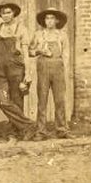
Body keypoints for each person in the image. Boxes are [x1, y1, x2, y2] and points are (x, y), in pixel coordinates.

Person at [0, 0, 36, 142]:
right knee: (3, 101)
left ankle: (14, 134)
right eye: (3, 13)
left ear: (14, 13)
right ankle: (28, 125)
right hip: (1, 71)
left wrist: (27, 74)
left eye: (8, 12)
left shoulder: (21, 29)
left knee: (17, 102)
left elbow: (26, 53)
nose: (6, 15)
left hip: (16, 70)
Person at [29, 8, 75, 140]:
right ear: (44, 21)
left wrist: (63, 69)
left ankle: (61, 129)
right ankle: (41, 131)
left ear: (57, 20)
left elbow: (66, 55)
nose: (49, 21)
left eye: (52, 18)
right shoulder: (38, 34)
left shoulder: (62, 35)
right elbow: (30, 52)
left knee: (60, 100)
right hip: (43, 67)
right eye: (47, 18)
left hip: (58, 68)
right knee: (42, 100)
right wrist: (40, 51)